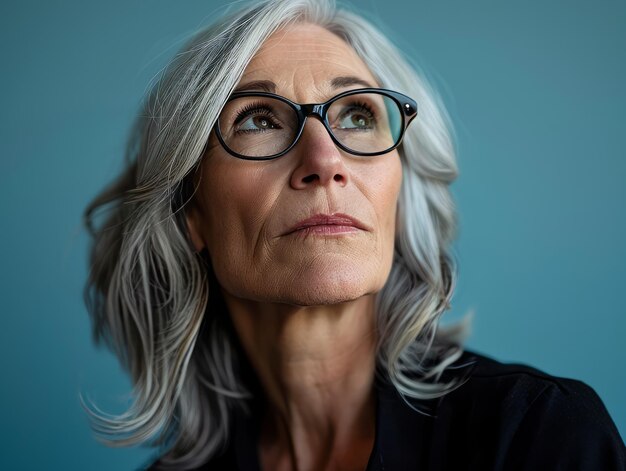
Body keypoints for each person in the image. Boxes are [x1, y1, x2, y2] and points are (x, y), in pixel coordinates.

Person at [83, 0, 625, 469]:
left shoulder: (538, 436)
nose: (325, 160)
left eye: (357, 115)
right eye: (258, 120)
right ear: (189, 213)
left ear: (399, 183)